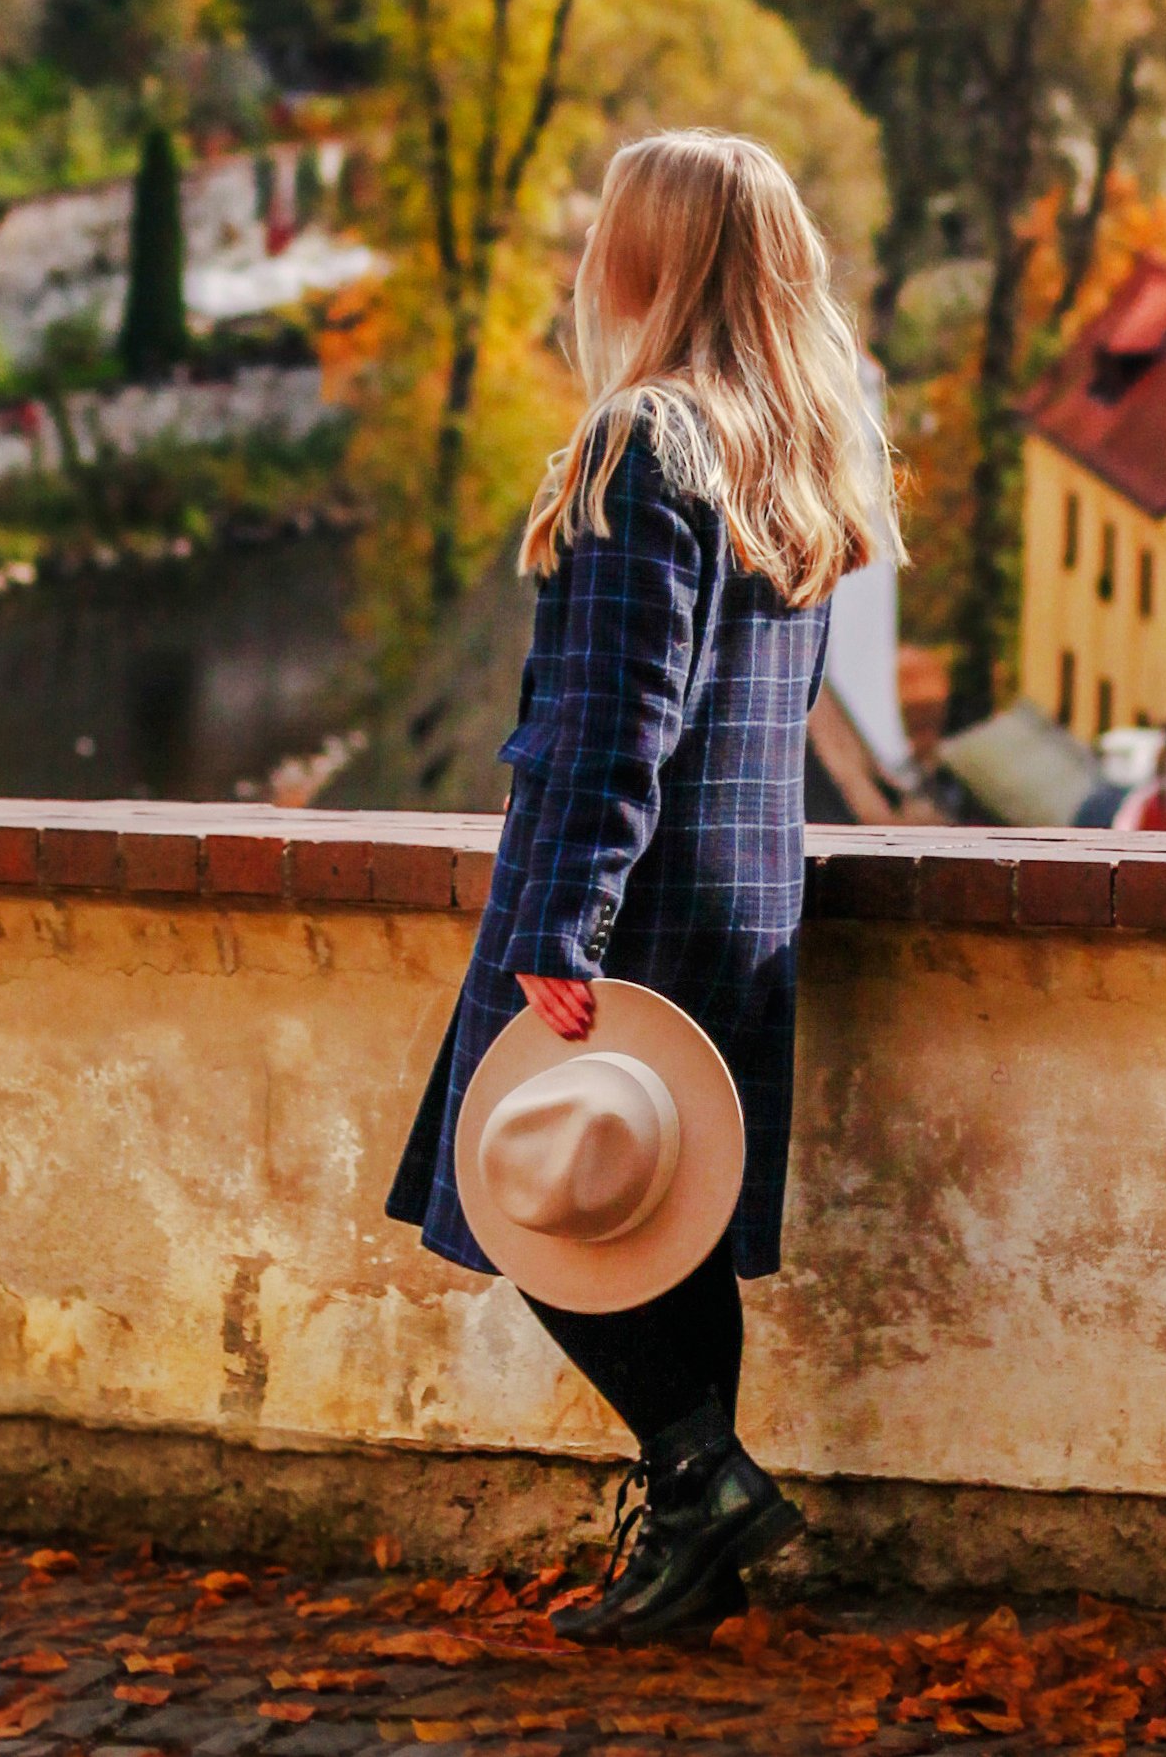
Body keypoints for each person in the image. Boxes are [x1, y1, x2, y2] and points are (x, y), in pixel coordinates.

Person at [385, 129, 900, 1644]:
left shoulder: (646, 440)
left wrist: (562, 926)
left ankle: (704, 1475)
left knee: (527, 1189)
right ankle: (697, 1540)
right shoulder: (797, 447)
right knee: (660, 1211)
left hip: (630, 897)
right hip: (749, 894)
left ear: (647, 255)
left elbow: (621, 721)